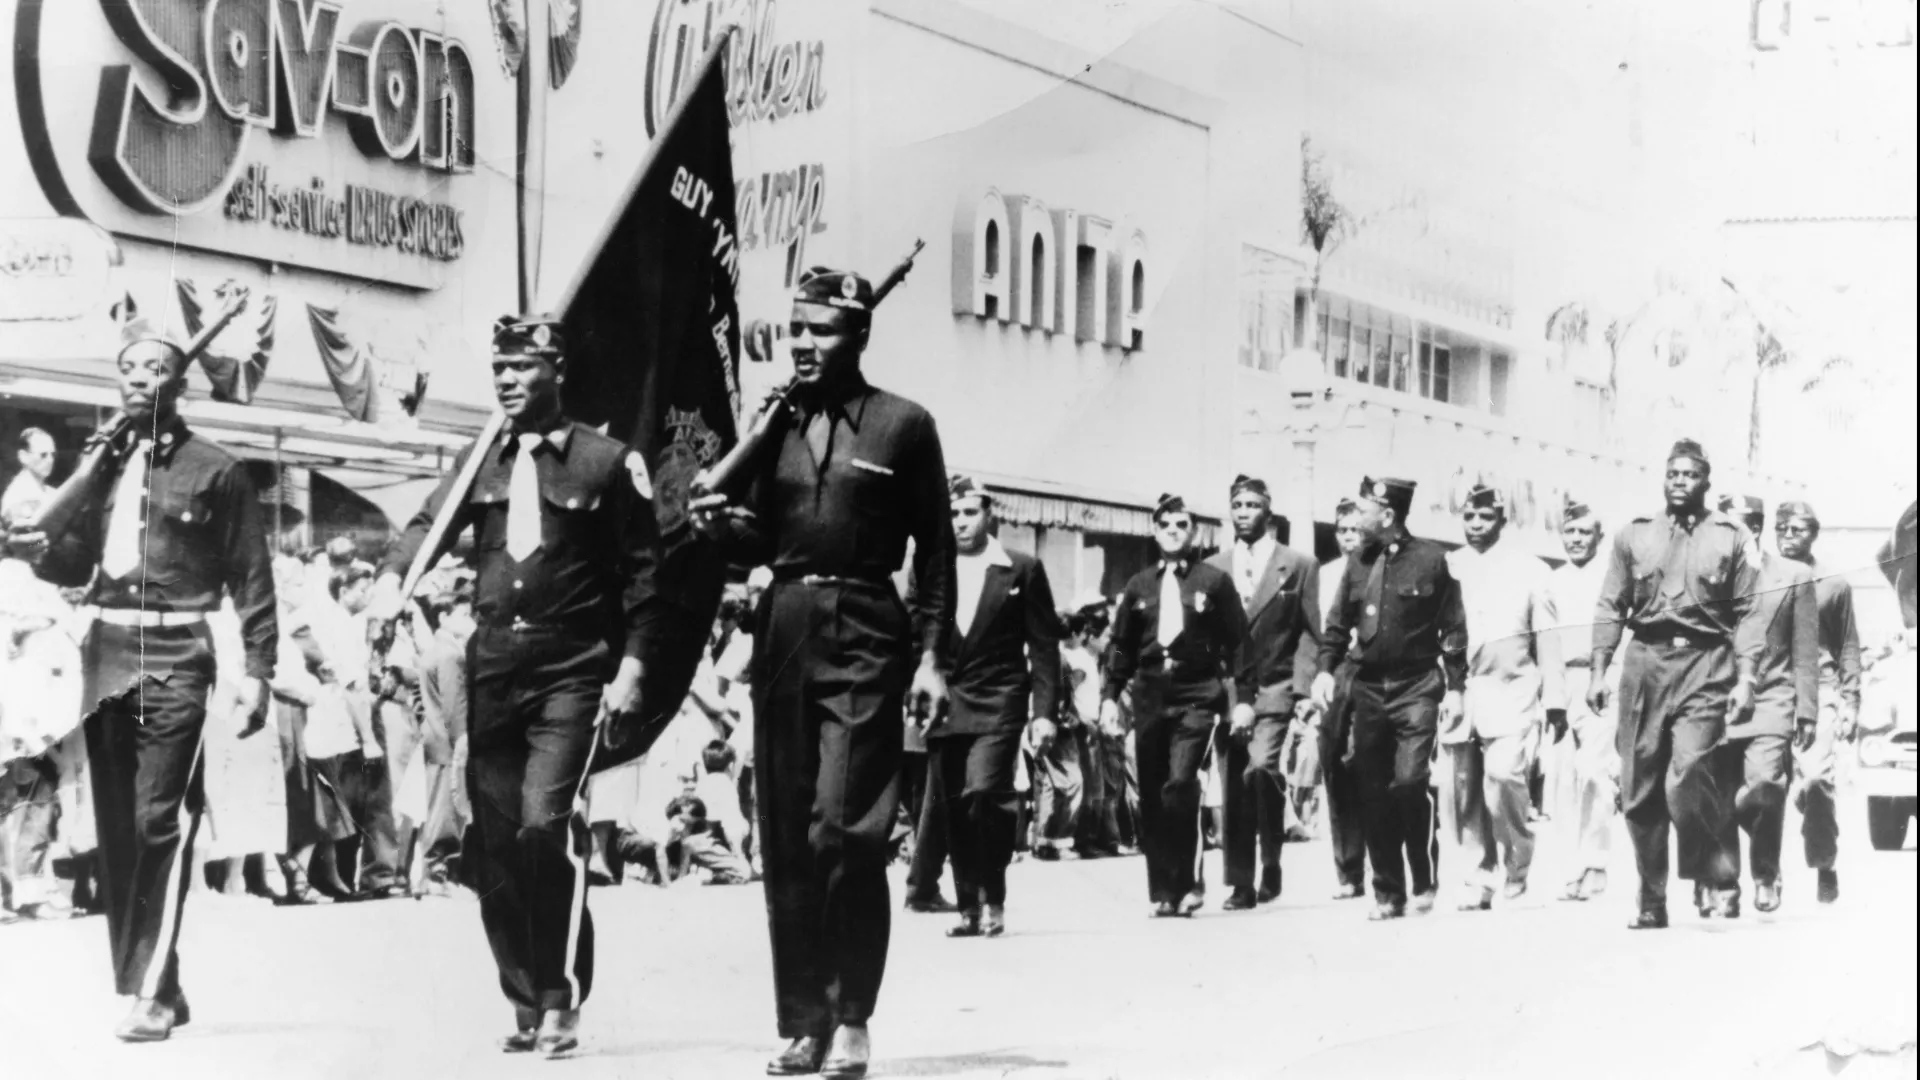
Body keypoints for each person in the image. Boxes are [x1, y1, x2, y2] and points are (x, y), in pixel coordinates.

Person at [690, 266, 954, 1079]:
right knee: (788, 839)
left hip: (869, 627)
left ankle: (851, 1016)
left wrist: (935, 656)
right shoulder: (771, 428)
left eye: (824, 330)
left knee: (845, 831)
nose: (805, 343)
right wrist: (713, 527)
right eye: (797, 328)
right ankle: (804, 1021)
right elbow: (759, 541)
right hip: (786, 630)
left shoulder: (903, 426)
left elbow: (936, 551)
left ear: (861, 335)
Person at [370, 313, 655, 1057]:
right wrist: (391, 582)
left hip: (572, 669)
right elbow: (426, 525)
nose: (506, 379)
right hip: (492, 666)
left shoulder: (607, 461)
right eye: (499, 366)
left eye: (522, 366)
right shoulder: (479, 461)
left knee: (543, 827)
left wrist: (633, 666)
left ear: (557, 369)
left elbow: (646, 577)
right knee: (494, 843)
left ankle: (560, 994)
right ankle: (524, 994)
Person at [9, 317, 275, 1040]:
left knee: (162, 819)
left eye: (153, 369)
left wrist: (259, 671)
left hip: (180, 654)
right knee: (122, 828)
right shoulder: (101, 466)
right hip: (107, 652)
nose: (136, 380)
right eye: (126, 370)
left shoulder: (217, 469)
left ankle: (151, 991)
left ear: (180, 382)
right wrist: (35, 549)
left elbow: (253, 580)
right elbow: (76, 565)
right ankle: (157, 980)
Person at [1589, 439, 1760, 930]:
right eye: (1673, 474)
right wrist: (1600, 668)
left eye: (1690, 474)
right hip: (1645, 663)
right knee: (1640, 789)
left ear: (1707, 482)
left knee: (1687, 775)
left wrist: (1746, 676)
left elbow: (1749, 611)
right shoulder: (1633, 535)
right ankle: (1651, 897)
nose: (1680, 481)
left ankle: (1706, 865)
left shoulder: (1731, 536)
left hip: (1706, 664)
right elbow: (1610, 605)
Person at [1311, 477, 1466, 922]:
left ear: (1387, 515)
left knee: (1410, 782)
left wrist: (1455, 687)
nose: (1355, 518)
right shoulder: (1358, 562)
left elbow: (1454, 628)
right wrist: (1324, 670)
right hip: (1368, 688)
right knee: (1371, 788)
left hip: (1417, 686)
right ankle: (1388, 892)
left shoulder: (1433, 560)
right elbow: (1338, 624)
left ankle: (1422, 874)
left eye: (1364, 509)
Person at [917, 476, 1061, 937]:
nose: (961, 522)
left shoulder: (1020, 568)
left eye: (970, 512)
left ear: (989, 514)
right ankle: (967, 907)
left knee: (985, 795)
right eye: (954, 513)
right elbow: (910, 635)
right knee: (955, 805)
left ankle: (993, 894)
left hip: (1000, 699)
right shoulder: (931, 569)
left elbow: (1043, 646)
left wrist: (1044, 713)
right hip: (944, 702)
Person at [1100, 494, 1249, 918]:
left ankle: (1191, 880)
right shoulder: (1138, 586)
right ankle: (1165, 891)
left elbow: (1238, 644)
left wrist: (1243, 702)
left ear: (1193, 531)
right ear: (1154, 529)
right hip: (1149, 696)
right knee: (1152, 792)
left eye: (1181, 524)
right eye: (1164, 524)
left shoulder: (1214, 582)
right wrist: (1110, 697)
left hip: (1197, 695)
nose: (1172, 531)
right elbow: (1120, 649)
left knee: (1181, 784)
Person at [1440, 484, 1561, 910]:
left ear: (1501, 521)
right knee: (1464, 789)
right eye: (1469, 517)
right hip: (1461, 691)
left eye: (1485, 517)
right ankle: (1478, 877)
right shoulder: (1448, 565)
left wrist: (1556, 697)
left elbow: (1547, 637)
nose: (1475, 525)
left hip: (1512, 689)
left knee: (1504, 775)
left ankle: (1517, 864)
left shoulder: (1530, 569)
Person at [1204, 474, 1318, 909]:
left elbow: (1310, 631)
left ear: (1268, 512)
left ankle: (1271, 857)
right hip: (1229, 693)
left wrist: (1303, 687)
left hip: (1275, 687)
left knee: (1260, 771)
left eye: (1253, 505)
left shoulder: (1298, 564)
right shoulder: (1213, 568)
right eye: (1238, 505)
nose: (1244, 513)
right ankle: (1241, 883)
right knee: (1233, 785)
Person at [1708, 495, 1816, 916]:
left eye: (1747, 525)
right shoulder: (1706, 576)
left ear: (1757, 528)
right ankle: (1724, 882)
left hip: (1772, 697)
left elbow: (1805, 649)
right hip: (1715, 699)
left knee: (1765, 786)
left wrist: (1806, 709)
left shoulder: (1794, 575)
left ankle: (1766, 872)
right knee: (1717, 794)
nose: (1740, 533)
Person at [1774, 500, 1862, 903]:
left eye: (1797, 529)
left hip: (1823, 691)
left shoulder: (1834, 585)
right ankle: (1765, 873)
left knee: (1816, 779)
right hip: (1774, 690)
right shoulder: (1763, 579)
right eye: (1782, 528)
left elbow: (1847, 646)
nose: (1788, 536)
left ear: (1814, 533)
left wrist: (1851, 702)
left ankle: (1824, 863)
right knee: (1764, 786)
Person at [1545, 495, 1619, 902]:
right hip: (1561, 682)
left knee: (1594, 770)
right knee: (1562, 779)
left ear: (1598, 537)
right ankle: (1571, 868)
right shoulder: (1551, 580)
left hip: (1600, 683)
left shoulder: (1611, 577)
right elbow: (1544, 641)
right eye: (1570, 531)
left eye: (1584, 532)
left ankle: (1597, 861)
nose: (1576, 539)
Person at [1317, 498, 1370, 900]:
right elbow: (1312, 633)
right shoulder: (1323, 575)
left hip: (1373, 673)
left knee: (1369, 763)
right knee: (1335, 765)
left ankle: (1384, 857)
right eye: (1342, 529)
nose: (1349, 536)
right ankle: (1348, 870)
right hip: (1334, 677)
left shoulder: (1377, 567)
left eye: (1356, 528)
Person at [2, 427, 58, 524]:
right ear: (23, 457)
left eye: (53, 455)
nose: (50, 460)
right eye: (43, 455)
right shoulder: (17, 495)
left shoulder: (51, 492)